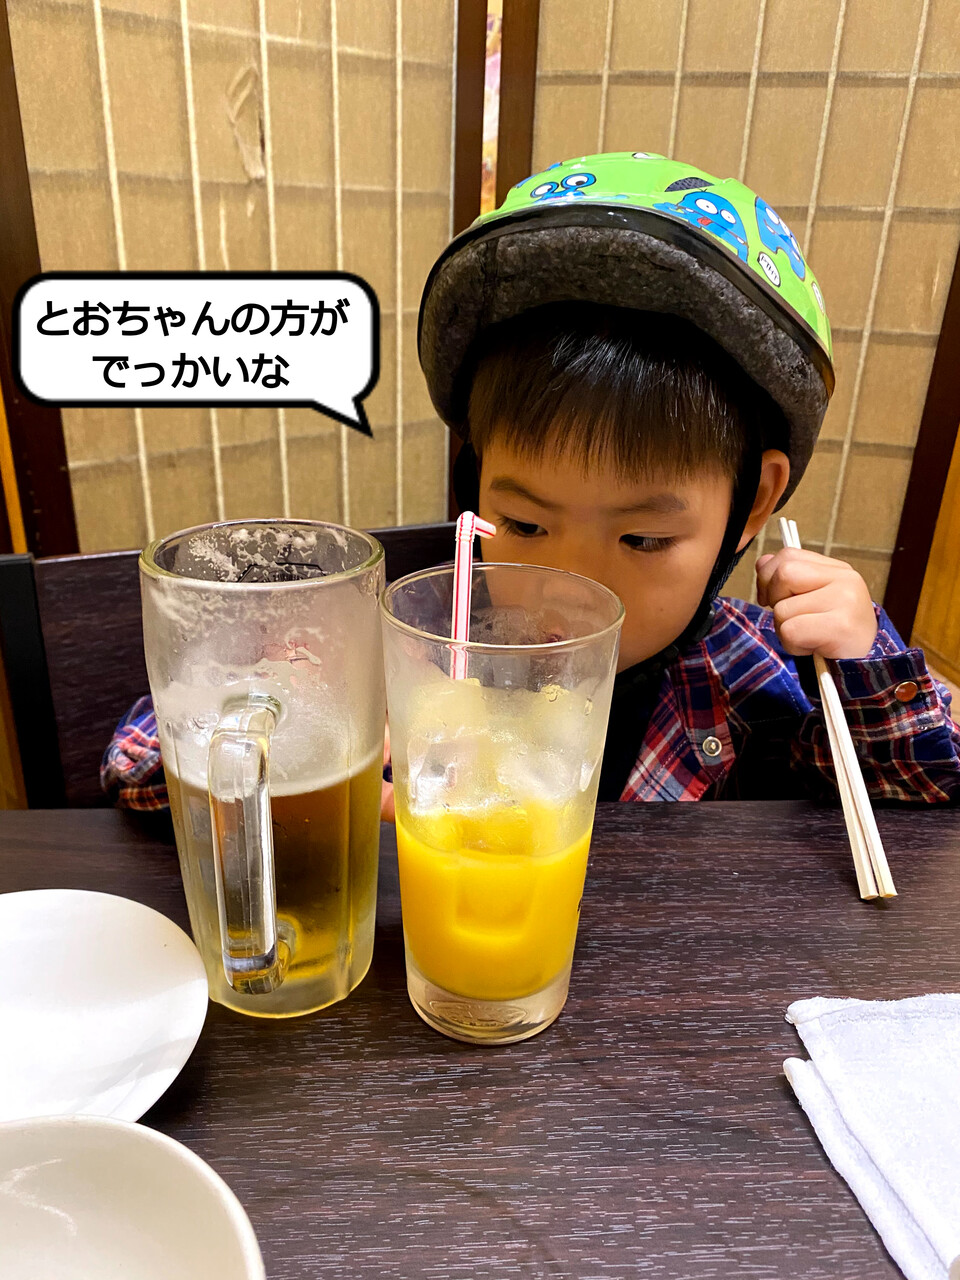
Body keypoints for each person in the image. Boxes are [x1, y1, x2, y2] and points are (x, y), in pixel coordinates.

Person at [104, 151, 960, 811]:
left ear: (756, 502)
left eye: (642, 538)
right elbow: (138, 769)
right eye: (525, 525)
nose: (569, 585)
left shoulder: (756, 667)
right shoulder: (413, 657)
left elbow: (925, 794)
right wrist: (311, 721)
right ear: (475, 479)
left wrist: (866, 664)